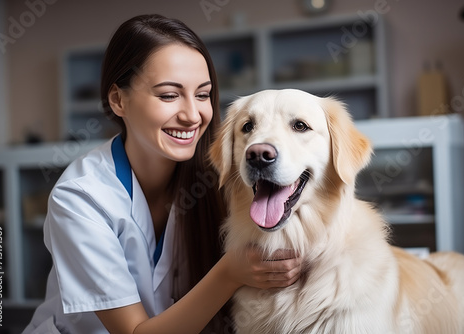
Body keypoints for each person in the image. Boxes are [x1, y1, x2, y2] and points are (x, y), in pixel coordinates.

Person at [23, 14, 302, 334]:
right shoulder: (81, 198)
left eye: (202, 94)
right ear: (118, 100)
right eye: (169, 95)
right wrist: (230, 272)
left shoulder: (217, 177)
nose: (192, 115)